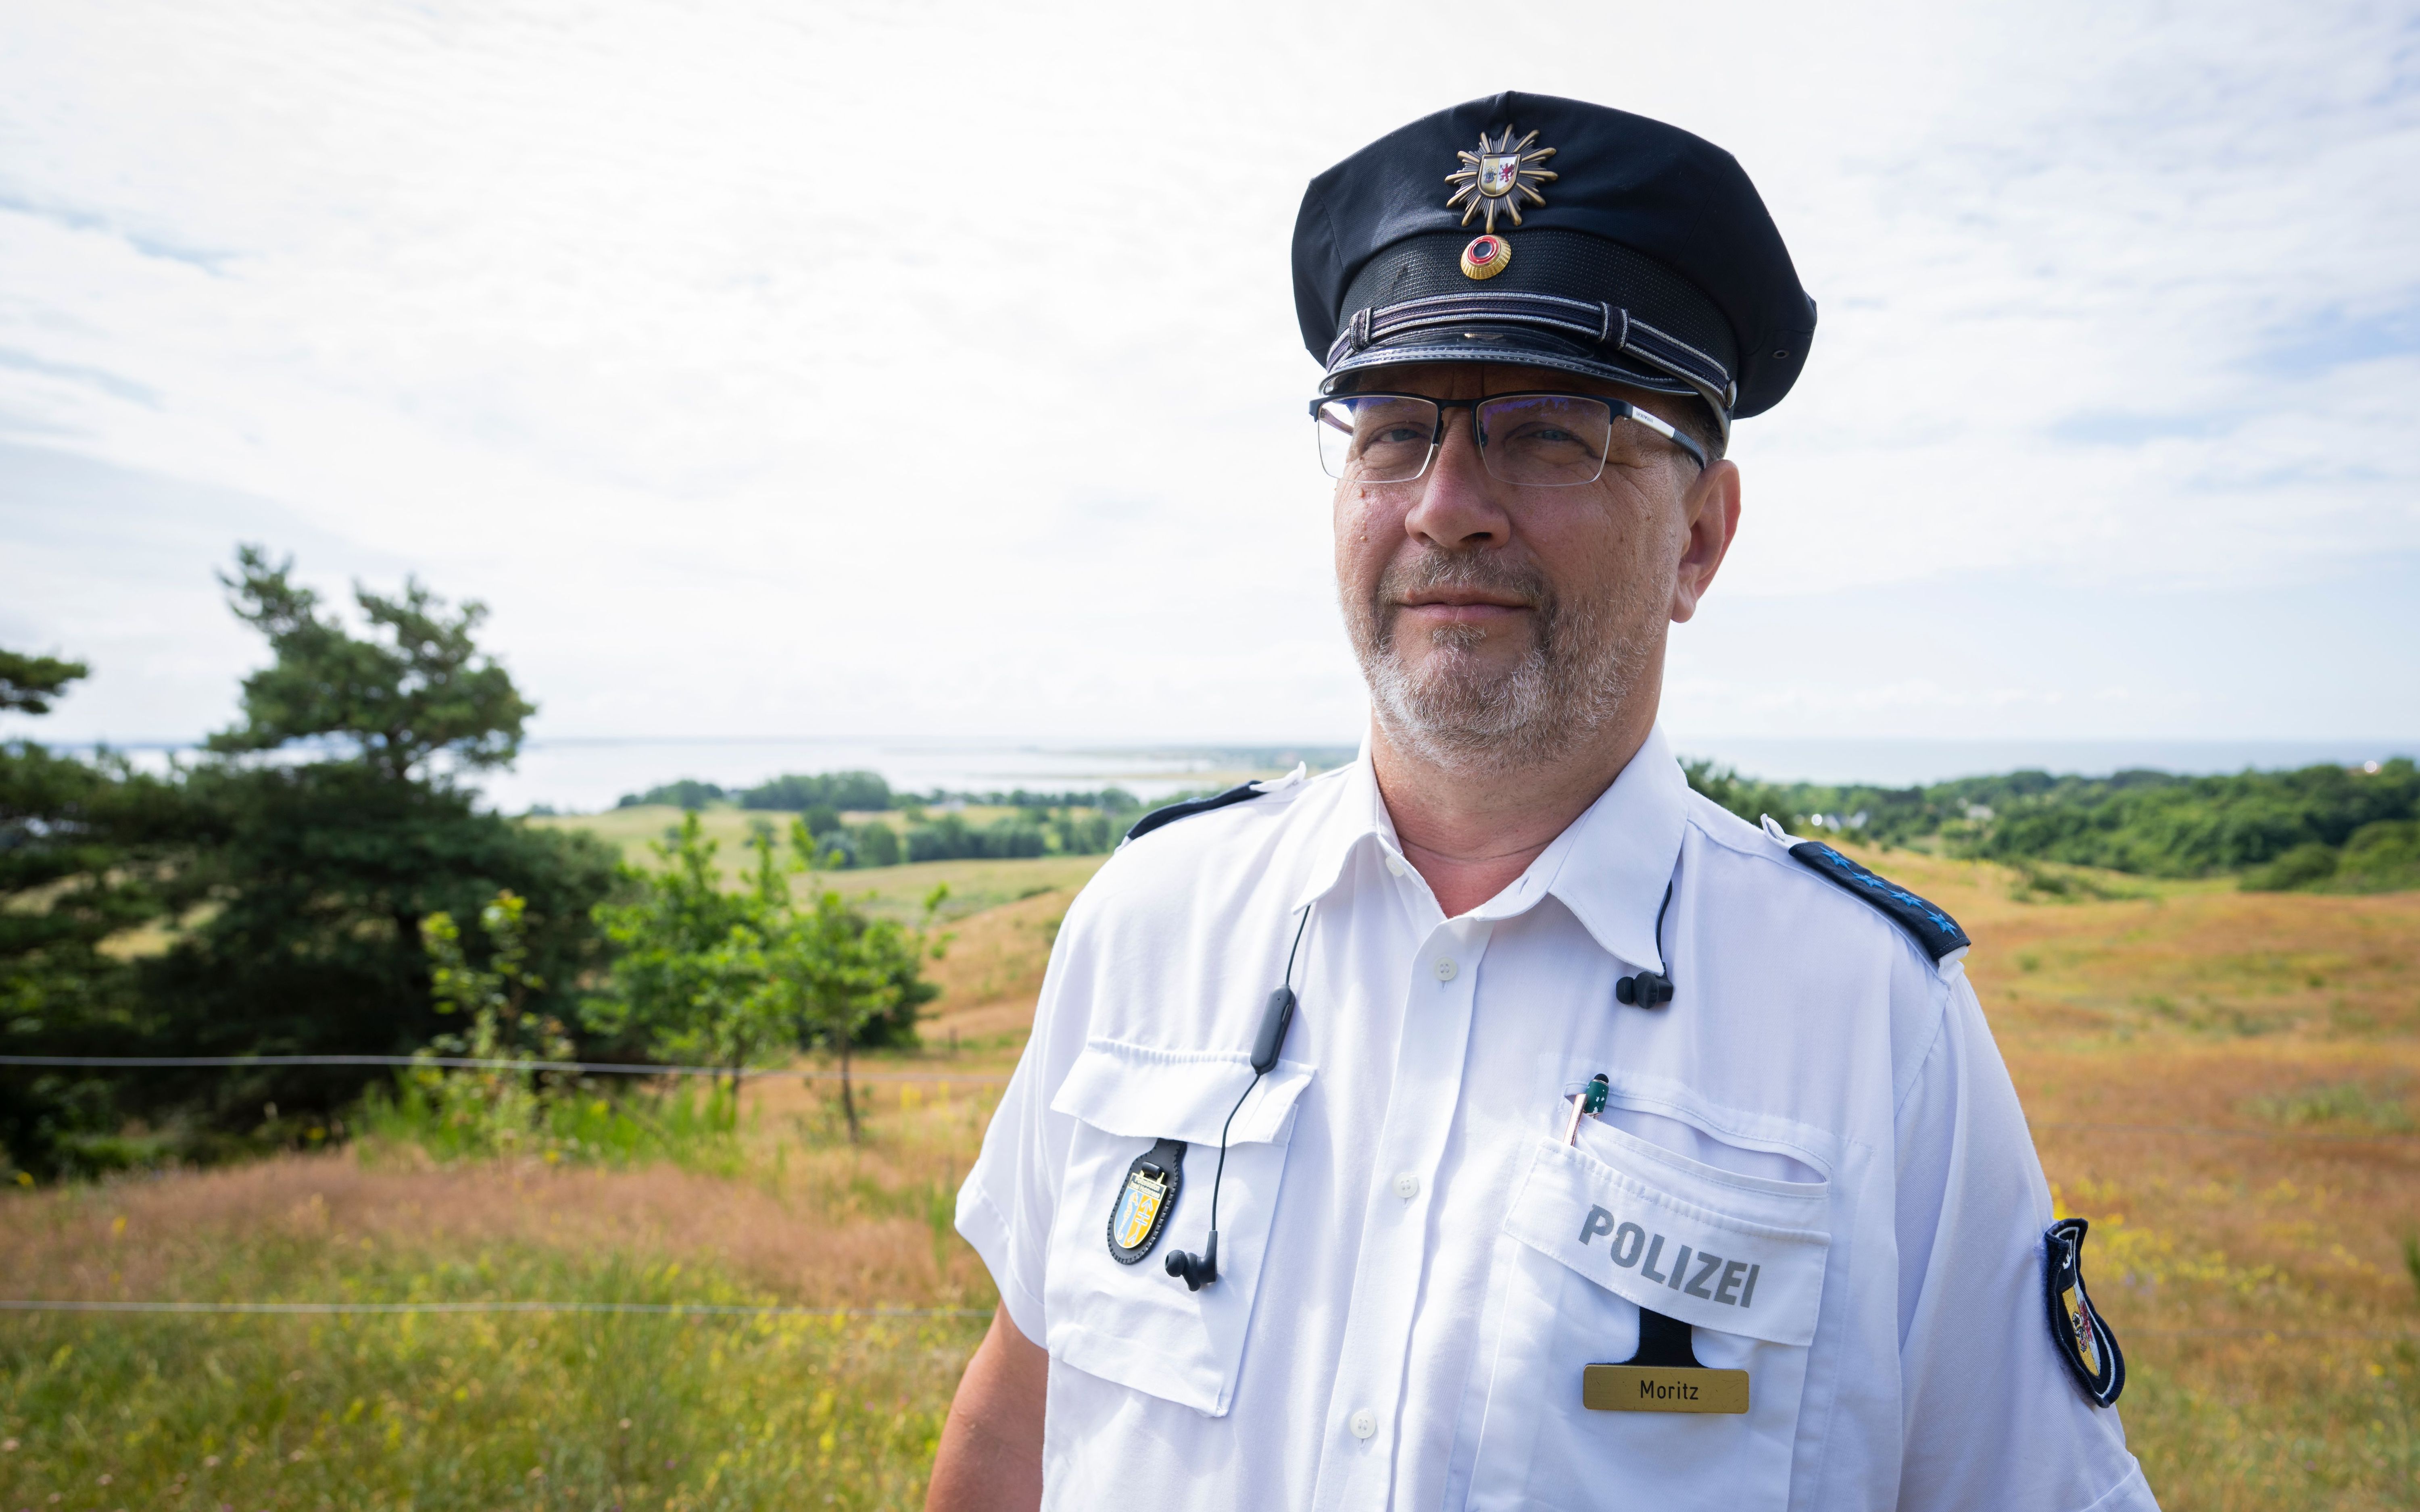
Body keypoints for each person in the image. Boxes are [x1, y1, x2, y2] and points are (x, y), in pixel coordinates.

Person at [925, 91, 2157, 1512]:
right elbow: (1022, 1421)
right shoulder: (1154, 922)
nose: (1449, 501)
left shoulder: (1871, 1020)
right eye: (1393, 429)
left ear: (1701, 536)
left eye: (1549, 432)